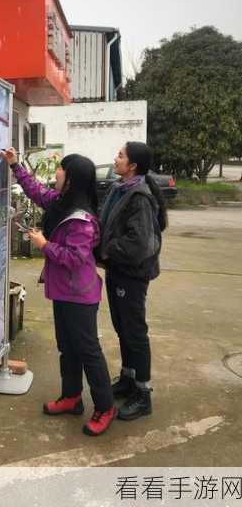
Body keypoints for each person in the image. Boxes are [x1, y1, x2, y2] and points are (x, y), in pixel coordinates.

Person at [3, 147, 115, 436]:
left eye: (62, 169)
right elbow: (37, 193)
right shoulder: (62, 203)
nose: (57, 172)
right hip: (64, 292)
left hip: (80, 294)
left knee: (88, 350)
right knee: (67, 347)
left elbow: (75, 259)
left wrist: (43, 245)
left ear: (72, 178)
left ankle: (105, 407)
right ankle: (72, 397)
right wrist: (15, 165)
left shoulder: (82, 220)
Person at [99, 141, 167, 421]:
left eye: (121, 155)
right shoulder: (121, 189)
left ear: (133, 166)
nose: (116, 159)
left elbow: (139, 244)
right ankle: (128, 378)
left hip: (132, 274)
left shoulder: (139, 197)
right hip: (118, 270)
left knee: (135, 332)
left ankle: (143, 394)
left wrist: (107, 249)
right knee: (122, 327)